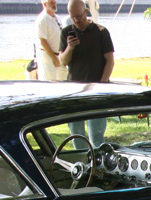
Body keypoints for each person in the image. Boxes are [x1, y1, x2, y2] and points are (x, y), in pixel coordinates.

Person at [59, 0, 114, 144]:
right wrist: (69, 48)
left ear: (86, 12)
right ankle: (81, 162)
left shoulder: (101, 32)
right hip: (75, 90)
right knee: (77, 135)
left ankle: (96, 163)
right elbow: (63, 61)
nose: (77, 20)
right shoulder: (66, 32)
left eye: (79, 16)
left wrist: (102, 84)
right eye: (73, 17)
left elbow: (110, 60)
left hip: (97, 89)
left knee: (96, 135)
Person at [34, 0, 66, 81]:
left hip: (59, 55)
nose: (54, 4)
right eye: (51, 2)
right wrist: (54, 58)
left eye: (55, 2)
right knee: (49, 81)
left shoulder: (57, 18)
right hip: (47, 56)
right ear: (45, 4)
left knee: (63, 81)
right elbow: (43, 42)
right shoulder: (42, 20)